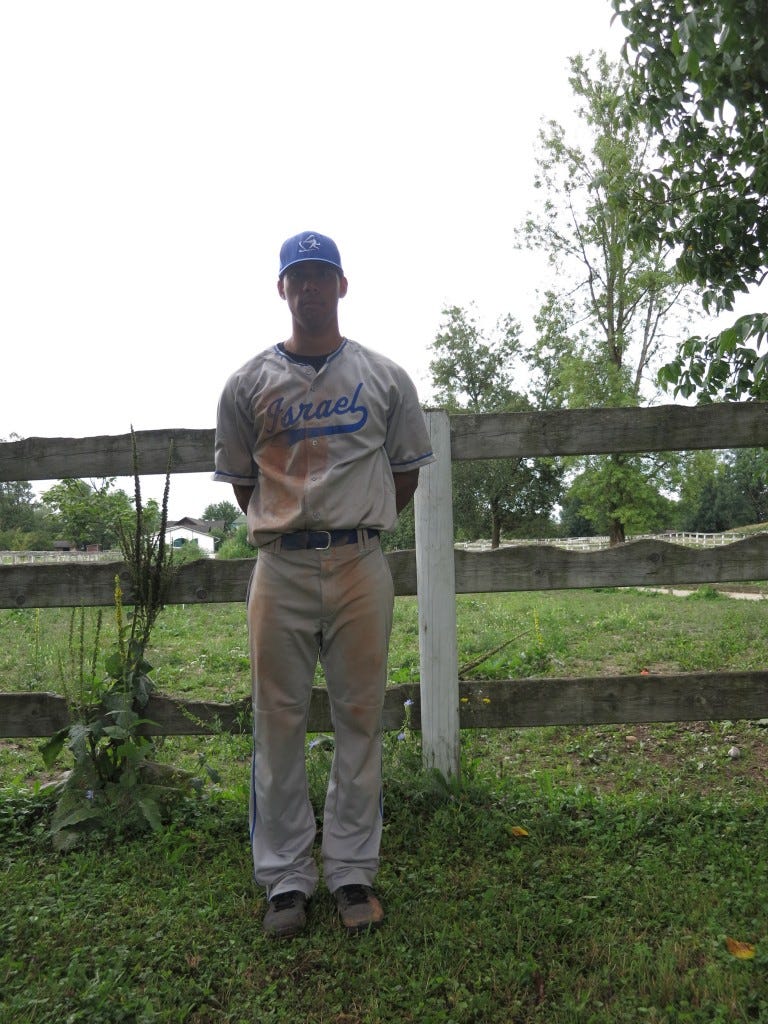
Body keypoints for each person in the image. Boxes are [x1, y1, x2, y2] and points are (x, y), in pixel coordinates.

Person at [214, 230, 435, 938]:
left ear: (342, 285)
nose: (309, 288)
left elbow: (405, 472)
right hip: (279, 565)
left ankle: (350, 872)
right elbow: (245, 483)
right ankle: (284, 879)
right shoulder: (247, 384)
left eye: (321, 276)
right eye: (296, 277)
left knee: (359, 716)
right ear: (282, 289)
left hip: (358, 563)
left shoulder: (384, 377)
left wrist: (351, 526)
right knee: (275, 720)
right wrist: (294, 525)